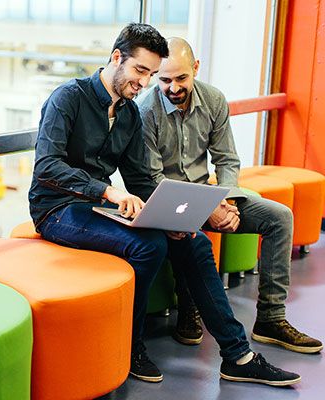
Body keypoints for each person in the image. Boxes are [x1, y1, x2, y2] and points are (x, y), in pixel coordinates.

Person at [29, 23, 301, 386]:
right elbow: (47, 165)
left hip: (97, 206)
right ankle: (130, 346)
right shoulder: (69, 97)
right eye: (140, 71)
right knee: (148, 246)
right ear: (116, 58)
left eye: (150, 74)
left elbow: (141, 178)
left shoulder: (127, 114)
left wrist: (175, 216)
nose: (144, 83)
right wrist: (107, 191)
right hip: (57, 208)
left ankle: (238, 354)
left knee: (193, 240)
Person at [137, 37, 322, 354]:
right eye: (165, 79)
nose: (173, 87)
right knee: (190, 234)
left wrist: (227, 202)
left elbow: (227, 160)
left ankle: (270, 319)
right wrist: (205, 210)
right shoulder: (146, 111)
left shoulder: (213, 100)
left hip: (210, 194)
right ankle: (189, 308)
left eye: (181, 78)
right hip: (167, 201)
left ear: (196, 68)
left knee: (280, 218)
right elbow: (153, 178)